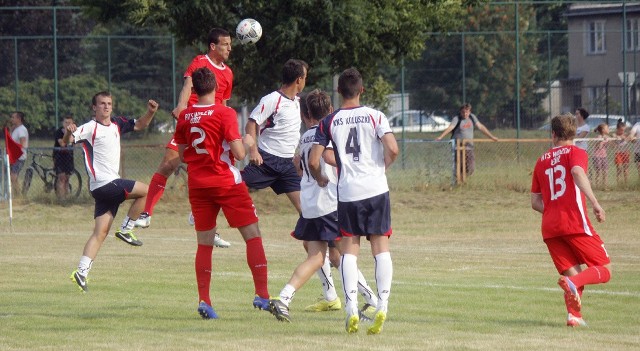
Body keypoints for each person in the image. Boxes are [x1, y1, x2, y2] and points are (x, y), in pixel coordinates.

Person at [268, 89, 378, 323]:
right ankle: (369, 303)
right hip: (329, 203)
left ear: (306, 113)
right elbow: (322, 159)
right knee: (346, 254)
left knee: (321, 257)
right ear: (330, 111)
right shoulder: (326, 132)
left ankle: (284, 298)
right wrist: (346, 165)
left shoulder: (305, 136)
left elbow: (298, 165)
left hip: (310, 205)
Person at [174, 67, 271, 318]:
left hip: (198, 183)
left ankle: (204, 300)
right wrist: (248, 141)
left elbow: (184, 152)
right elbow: (239, 154)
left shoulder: (185, 116)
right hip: (225, 181)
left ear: (193, 90)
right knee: (253, 235)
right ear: (216, 87)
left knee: (204, 245)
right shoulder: (224, 112)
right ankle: (262, 295)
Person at [309, 68, 399, 334]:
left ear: (338, 92)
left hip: (348, 193)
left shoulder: (328, 121)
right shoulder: (376, 116)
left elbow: (316, 160)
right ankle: (382, 305)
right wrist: (382, 166)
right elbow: (392, 148)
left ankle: (351, 309)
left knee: (349, 250)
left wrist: (321, 178)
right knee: (381, 247)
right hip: (376, 189)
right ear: (361, 90)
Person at [134, 28, 232, 249]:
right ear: (213, 46)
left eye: (230, 44)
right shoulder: (200, 61)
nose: (229, 48)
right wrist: (181, 106)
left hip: (214, 128)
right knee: (168, 164)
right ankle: (146, 213)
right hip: (193, 121)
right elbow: (188, 85)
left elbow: (224, 103)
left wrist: (226, 127)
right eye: (225, 44)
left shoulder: (228, 73)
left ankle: (205, 223)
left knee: (218, 176)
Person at [67, 91, 158, 292]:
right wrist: (68, 131)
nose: (106, 107)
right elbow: (68, 140)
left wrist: (150, 112)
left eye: (109, 103)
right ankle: (126, 229)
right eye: (102, 104)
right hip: (105, 184)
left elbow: (140, 124)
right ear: (94, 107)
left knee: (100, 233)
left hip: (102, 188)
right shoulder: (91, 127)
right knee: (148, 190)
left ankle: (81, 272)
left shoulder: (117, 123)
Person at [530, 113, 611, 328]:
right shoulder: (576, 152)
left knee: (575, 273)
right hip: (574, 222)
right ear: (573, 133)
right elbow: (576, 171)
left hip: (550, 227)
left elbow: (535, 201)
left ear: (553, 134)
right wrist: (595, 202)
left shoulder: (541, 160)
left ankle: (573, 317)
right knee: (604, 270)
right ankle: (571, 283)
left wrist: (553, 210)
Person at [242, 59, 308, 214]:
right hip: (267, 161)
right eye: (305, 77)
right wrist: (253, 151)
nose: (305, 81)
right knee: (233, 185)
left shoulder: (298, 102)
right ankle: (205, 205)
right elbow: (251, 124)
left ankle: (321, 238)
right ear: (299, 80)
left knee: (306, 209)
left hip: (287, 165)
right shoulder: (272, 99)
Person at [435, 103, 498, 177]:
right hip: (458, 146)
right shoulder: (457, 118)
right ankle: (459, 183)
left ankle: (462, 179)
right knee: (459, 167)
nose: (465, 114)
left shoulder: (472, 117)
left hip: (469, 146)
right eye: (463, 112)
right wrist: (441, 136)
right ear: (460, 112)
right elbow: (451, 127)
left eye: (467, 112)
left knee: (470, 168)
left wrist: (491, 137)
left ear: (469, 112)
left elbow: (480, 127)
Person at [53, 115, 75, 200]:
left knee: (67, 178)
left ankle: (66, 198)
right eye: (66, 122)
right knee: (61, 177)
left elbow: (74, 142)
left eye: (69, 123)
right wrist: (67, 133)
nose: (67, 124)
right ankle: (61, 199)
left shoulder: (74, 132)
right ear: (63, 123)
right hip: (59, 157)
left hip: (69, 157)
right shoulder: (59, 132)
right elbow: (62, 143)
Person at [8, 111, 29, 195]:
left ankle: (17, 195)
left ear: (19, 119)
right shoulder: (16, 129)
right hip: (13, 157)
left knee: (13, 177)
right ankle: (15, 194)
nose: (11, 119)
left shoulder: (22, 130)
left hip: (19, 157)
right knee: (12, 177)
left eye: (13, 117)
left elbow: (22, 143)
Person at [591, 123, 610, 189]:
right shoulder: (599, 137)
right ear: (603, 130)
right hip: (597, 156)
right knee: (598, 171)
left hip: (604, 156)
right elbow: (599, 147)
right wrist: (602, 140)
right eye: (607, 128)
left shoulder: (607, 137)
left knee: (605, 171)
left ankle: (605, 186)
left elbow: (611, 145)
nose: (608, 129)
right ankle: (597, 186)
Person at [613, 119, 630, 185]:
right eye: (621, 130)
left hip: (625, 152)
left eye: (624, 130)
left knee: (626, 169)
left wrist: (625, 137)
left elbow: (629, 137)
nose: (622, 131)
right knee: (619, 168)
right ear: (617, 129)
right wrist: (617, 137)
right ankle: (619, 183)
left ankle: (626, 183)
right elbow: (614, 137)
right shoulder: (615, 134)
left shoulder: (625, 134)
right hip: (618, 153)